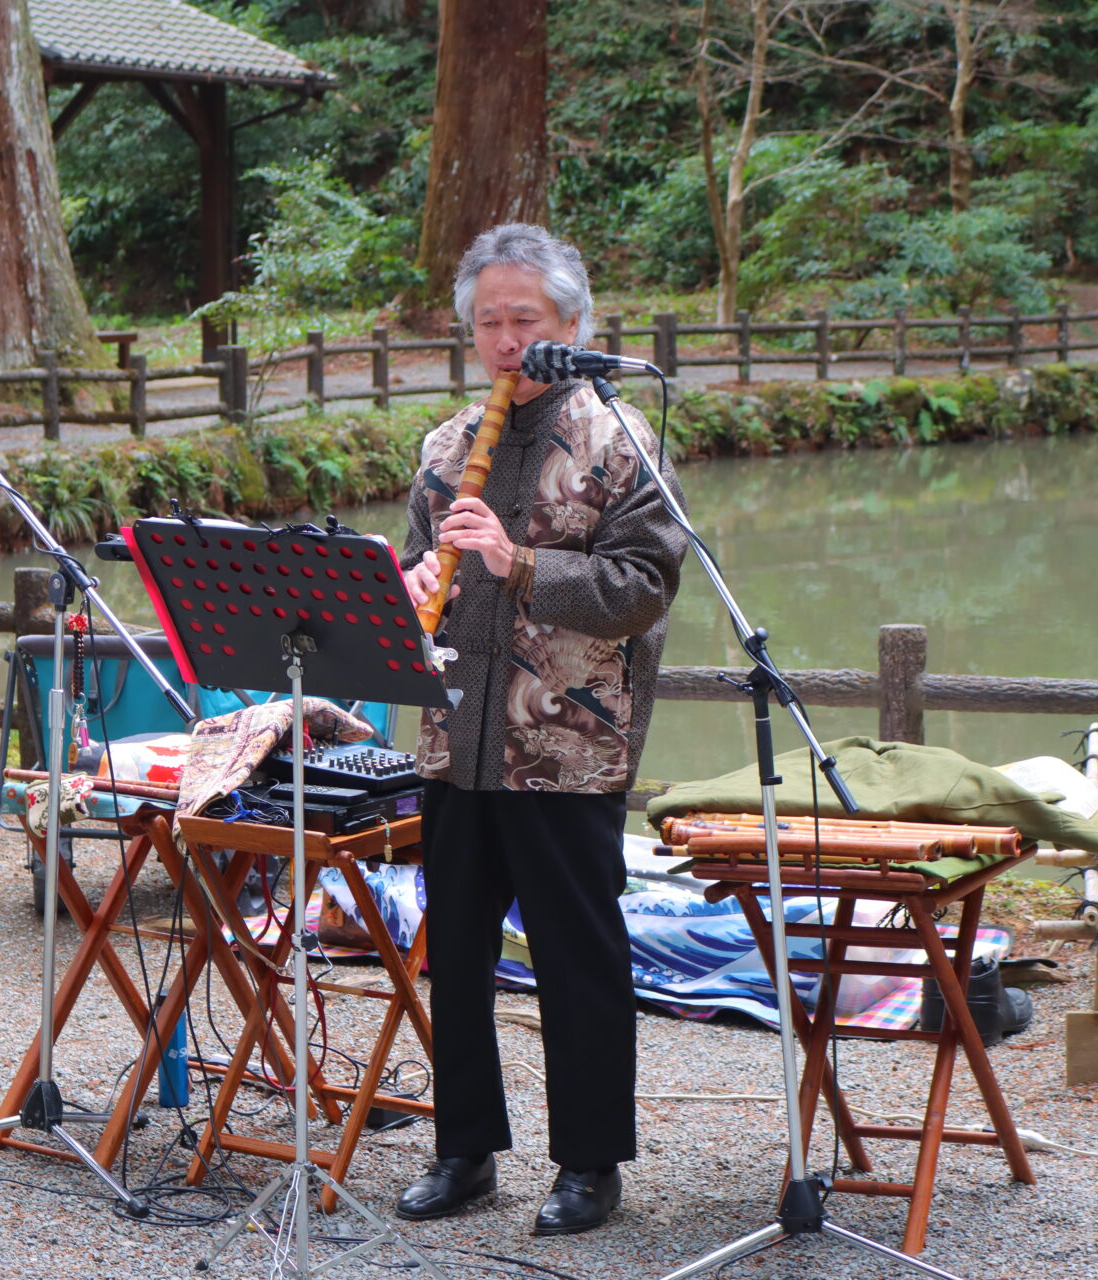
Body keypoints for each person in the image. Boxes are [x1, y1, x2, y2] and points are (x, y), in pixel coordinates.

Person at [394, 224, 688, 1235]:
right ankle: (464, 1149)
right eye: (489, 321)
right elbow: (411, 570)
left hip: (568, 741)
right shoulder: (445, 447)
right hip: (456, 734)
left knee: (576, 956)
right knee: (455, 950)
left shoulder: (620, 440)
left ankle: (590, 1165)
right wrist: (413, 585)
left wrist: (516, 561)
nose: (507, 340)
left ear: (573, 323)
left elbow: (642, 588)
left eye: (527, 319)